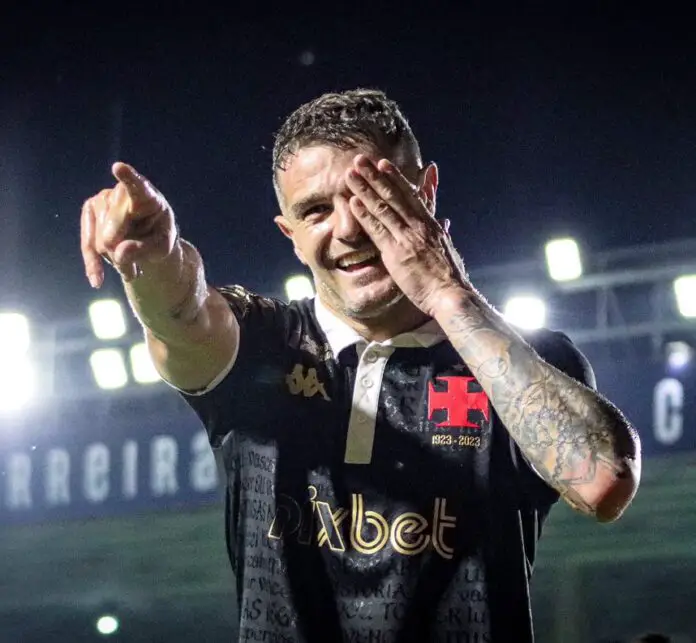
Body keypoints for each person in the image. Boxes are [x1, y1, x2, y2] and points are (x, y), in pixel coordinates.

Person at [80, 88, 641, 642]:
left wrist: (447, 293)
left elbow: (602, 482)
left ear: (426, 192)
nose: (348, 228)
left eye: (369, 196)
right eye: (316, 211)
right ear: (291, 235)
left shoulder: (525, 360)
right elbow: (181, 314)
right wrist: (153, 258)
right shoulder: (259, 346)